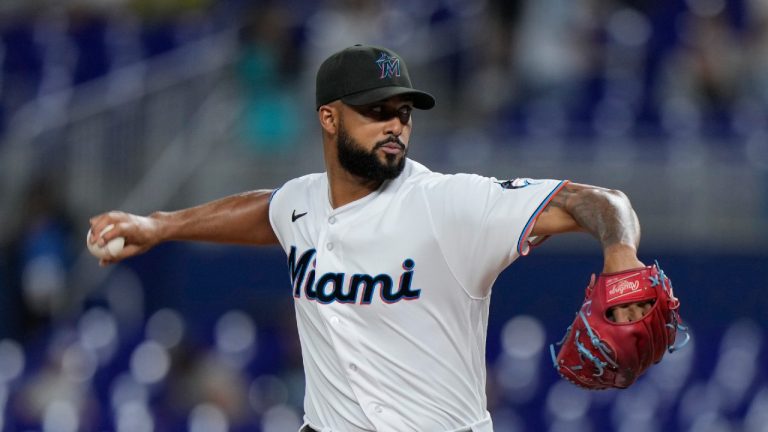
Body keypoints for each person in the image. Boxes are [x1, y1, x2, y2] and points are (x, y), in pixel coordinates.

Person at [89, 44, 651, 432]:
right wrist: (160, 226)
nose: (396, 125)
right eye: (376, 111)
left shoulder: (447, 202)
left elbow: (599, 202)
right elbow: (267, 211)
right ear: (329, 118)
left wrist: (620, 256)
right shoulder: (302, 203)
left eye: (403, 112)